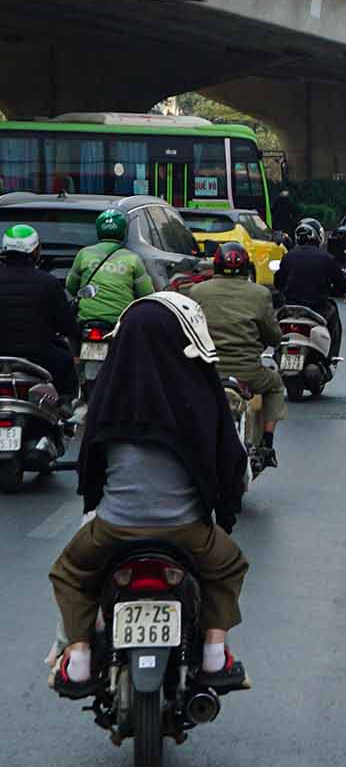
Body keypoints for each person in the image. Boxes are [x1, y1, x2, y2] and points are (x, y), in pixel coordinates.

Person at [46, 292, 250, 698]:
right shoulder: (201, 390)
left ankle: (80, 656)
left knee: (69, 572)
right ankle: (214, 653)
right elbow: (230, 464)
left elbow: (90, 465)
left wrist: (97, 504)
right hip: (188, 531)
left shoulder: (108, 394)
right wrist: (221, 519)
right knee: (228, 566)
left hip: (113, 529)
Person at [189, 242, 285, 469]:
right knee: (275, 385)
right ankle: (267, 444)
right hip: (248, 373)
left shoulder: (198, 292)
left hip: (207, 372)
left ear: (216, 265)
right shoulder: (260, 294)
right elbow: (273, 336)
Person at [0, 224, 80, 400]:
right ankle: (66, 412)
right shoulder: (48, 282)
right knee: (67, 370)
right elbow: (67, 325)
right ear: (35, 251)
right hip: (40, 357)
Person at [65, 208, 154, 327]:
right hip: (120, 322)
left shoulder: (84, 254)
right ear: (124, 232)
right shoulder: (133, 259)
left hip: (86, 320)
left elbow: (71, 286)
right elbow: (146, 294)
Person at [274, 218, 346, 362]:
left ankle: (277, 352)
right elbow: (341, 286)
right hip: (318, 309)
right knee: (334, 318)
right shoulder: (327, 258)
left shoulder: (288, 256)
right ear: (318, 236)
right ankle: (330, 358)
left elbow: (278, 283)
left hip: (290, 309)